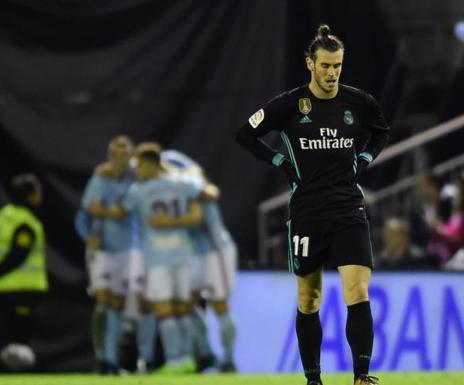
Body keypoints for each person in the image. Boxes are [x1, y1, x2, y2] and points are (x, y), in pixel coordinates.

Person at [236, 24, 389, 385]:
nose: (332, 73)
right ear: (310, 64)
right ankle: (313, 379)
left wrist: (363, 158)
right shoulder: (289, 104)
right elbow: (245, 134)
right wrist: (280, 163)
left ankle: (362, 376)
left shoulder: (357, 101)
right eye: (325, 66)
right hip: (306, 211)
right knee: (309, 298)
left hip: (348, 207)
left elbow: (380, 130)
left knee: (358, 290)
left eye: (337, 66)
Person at [91, 143, 205, 374]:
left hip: (158, 258)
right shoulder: (180, 184)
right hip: (181, 255)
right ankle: (188, 359)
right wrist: (175, 222)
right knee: (182, 309)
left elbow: (118, 211)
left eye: (139, 164)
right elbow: (197, 212)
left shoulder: (138, 191)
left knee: (164, 310)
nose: (137, 170)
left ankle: (175, 361)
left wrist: (98, 208)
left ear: (149, 164)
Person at [161, 150, 238, 373]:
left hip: (216, 250)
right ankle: (205, 354)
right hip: (194, 252)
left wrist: (164, 221)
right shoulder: (172, 190)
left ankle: (229, 359)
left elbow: (203, 202)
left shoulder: (191, 184)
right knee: (187, 303)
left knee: (220, 304)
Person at [76, 136, 137, 374]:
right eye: (117, 153)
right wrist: (88, 235)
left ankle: (111, 360)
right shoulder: (99, 179)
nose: (121, 158)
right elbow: (84, 215)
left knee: (117, 306)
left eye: (126, 153)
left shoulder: (136, 178)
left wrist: (108, 211)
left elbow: (124, 210)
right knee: (103, 303)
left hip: (126, 250)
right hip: (100, 250)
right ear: (110, 156)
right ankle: (101, 357)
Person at [0, 173, 48, 371]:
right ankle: (15, 372)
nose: (39, 196)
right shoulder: (26, 221)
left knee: (2, 333)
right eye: (36, 191)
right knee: (18, 336)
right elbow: (18, 254)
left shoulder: (2, 216)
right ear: (29, 194)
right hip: (21, 287)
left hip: (1, 287)